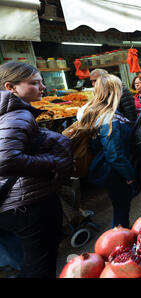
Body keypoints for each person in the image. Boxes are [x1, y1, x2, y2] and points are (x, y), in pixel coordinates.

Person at [0, 62, 73, 278]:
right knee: (40, 264)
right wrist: (52, 161)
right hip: (27, 205)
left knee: (28, 261)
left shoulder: (8, 113)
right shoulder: (17, 115)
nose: (42, 88)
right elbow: (6, 159)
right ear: (10, 87)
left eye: (41, 82)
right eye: (34, 83)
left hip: (12, 202)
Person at [78, 74, 136, 229]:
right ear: (113, 91)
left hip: (107, 168)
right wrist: (129, 174)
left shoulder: (92, 111)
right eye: (119, 88)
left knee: (119, 205)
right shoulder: (109, 118)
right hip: (114, 171)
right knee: (121, 208)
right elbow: (114, 155)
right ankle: (120, 243)